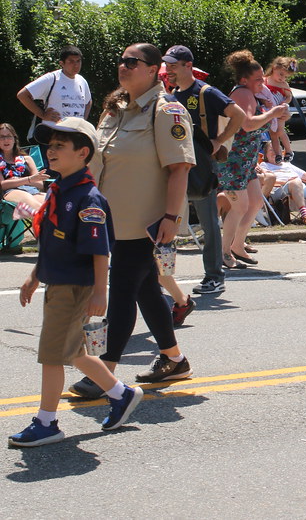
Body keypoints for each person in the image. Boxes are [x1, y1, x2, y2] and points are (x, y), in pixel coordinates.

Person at [70, 43, 196, 401]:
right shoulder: (116, 108)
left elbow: (179, 168)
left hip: (147, 224)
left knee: (123, 290)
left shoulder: (166, 110)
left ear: (155, 69)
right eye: (121, 61)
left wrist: (170, 218)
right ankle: (175, 359)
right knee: (144, 289)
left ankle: (103, 373)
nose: (122, 66)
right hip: (111, 221)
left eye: (132, 62)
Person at [8, 117, 143, 447]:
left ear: (83, 153)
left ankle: (47, 422)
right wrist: (33, 275)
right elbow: (53, 241)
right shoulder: (60, 189)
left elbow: (100, 250)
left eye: (58, 146)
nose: (50, 151)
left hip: (74, 287)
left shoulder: (87, 198)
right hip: (58, 282)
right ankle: (121, 394)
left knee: (52, 354)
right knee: (74, 352)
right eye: (49, 145)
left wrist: (100, 291)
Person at [163, 45, 246, 296]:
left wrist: (220, 140)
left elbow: (238, 114)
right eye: (167, 65)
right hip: (174, 164)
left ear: (189, 66)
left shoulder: (205, 92)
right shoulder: (171, 94)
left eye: (173, 66)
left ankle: (214, 276)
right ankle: (160, 276)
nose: (168, 70)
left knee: (209, 223)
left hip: (200, 165)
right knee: (164, 222)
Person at [218, 50, 290, 269]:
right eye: (258, 79)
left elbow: (259, 123)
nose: (262, 83)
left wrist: (278, 115)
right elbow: (248, 124)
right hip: (234, 161)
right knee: (239, 207)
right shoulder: (242, 94)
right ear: (244, 80)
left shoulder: (251, 94)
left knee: (256, 202)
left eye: (262, 78)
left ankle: (238, 245)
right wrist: (273, 112)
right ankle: (223, 252)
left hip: (245, 160)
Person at [17, 45, 93, 126]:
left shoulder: (82, 80)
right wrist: (42, 114)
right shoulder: (52, 78)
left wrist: (83, 121)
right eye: (71, 61)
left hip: (75, 133)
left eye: (78, 61)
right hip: (54, 132)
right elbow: (22, 95)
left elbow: (88, 101)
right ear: (62, 63)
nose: (76, 65)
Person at [1, 122, 46, 213]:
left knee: (52, 202)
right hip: (10, 193)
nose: (6, 140)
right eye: (2, 137)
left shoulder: (27, 159)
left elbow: (40, 184)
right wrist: (30, 179)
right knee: (36, 206)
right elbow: (2, 185)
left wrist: (17, 180)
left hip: (32, 191)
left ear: (14, 139)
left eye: (9, 136)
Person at [263, 56, 297, 163]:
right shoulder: (265, 80)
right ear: (274, 68)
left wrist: (284, 102)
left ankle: (288, 150)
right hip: (270, 110)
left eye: (285, 77)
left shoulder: (283, 84)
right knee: (273, 133)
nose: (282, 78)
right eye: (281, 74)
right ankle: (278, 154)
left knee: (280, 131)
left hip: (280, 109)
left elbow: (289, 96)